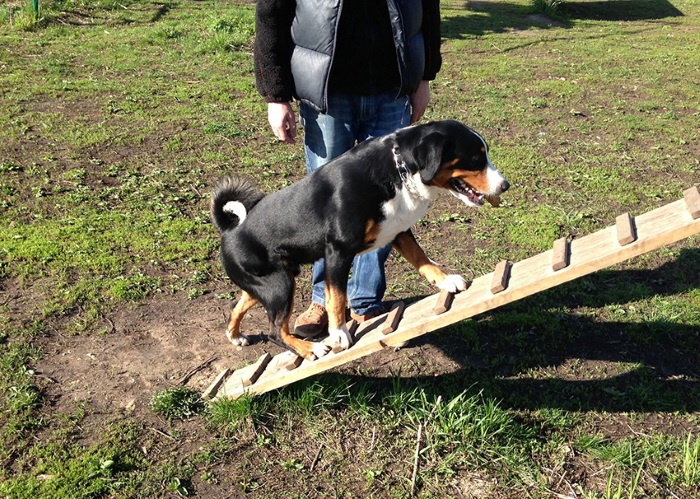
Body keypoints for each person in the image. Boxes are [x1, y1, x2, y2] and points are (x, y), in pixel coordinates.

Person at [254, 0, 442, 337]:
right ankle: (322, 300)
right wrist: (275, 95)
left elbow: (428, 6)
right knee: (326, 207)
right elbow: (271, 12)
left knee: (391, 204)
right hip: (328, 93)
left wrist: (424, 77)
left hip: (392, 87)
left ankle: (365, 300)